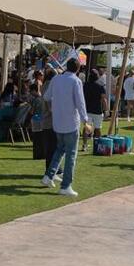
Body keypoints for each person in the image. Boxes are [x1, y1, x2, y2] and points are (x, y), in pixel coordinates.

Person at [41, 58, 91, 197]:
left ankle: (48, 176)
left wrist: (58, 103)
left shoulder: (56, 79)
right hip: (70, 123)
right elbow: (80, 102)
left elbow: (46, 97)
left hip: (57, 123)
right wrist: (85, 120)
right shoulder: (76, 81)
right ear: (78, 69)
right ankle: (65, 186)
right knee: (71, 156)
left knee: (60, 150)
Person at [83, 69, 108, 133]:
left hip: (87, 110)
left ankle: (85, 143)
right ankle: (97, 142)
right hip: (97, 110)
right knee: (97, 129)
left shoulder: (85, 85)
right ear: (97, 76)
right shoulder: (100, 86)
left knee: (86, 128)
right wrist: (106, 110)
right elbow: (104, 99)